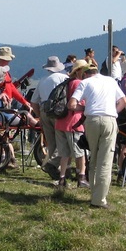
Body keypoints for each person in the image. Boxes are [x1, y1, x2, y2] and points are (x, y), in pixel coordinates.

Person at [68, 63, 126, 209]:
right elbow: (123, 101)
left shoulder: (84, 83)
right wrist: (113, 111)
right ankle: (99, 200)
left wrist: (86, 108)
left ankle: (94, 193)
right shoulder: (110, 81)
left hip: (92, 120)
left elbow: (71, 105)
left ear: (85, 73)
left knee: (93, 157)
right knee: (105, 161)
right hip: (109, 119)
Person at [54, 60, 92, 189]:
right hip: (74, 122)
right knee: (80, 152)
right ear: (80, 71)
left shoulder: (66, 82)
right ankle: (81, 177)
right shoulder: (78, 83)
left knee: (64, 153)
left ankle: (62, 179)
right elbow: (76, 104)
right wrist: (87, 108)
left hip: (60, 122)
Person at [30, 56, 68, 175]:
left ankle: (51, 167)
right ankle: (54, 165)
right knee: (63, 140)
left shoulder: (42, 80)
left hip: (44, 110)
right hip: (60, 111)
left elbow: (34, 102)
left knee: (51, 142)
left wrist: (39, 116)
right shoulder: (64, 78)